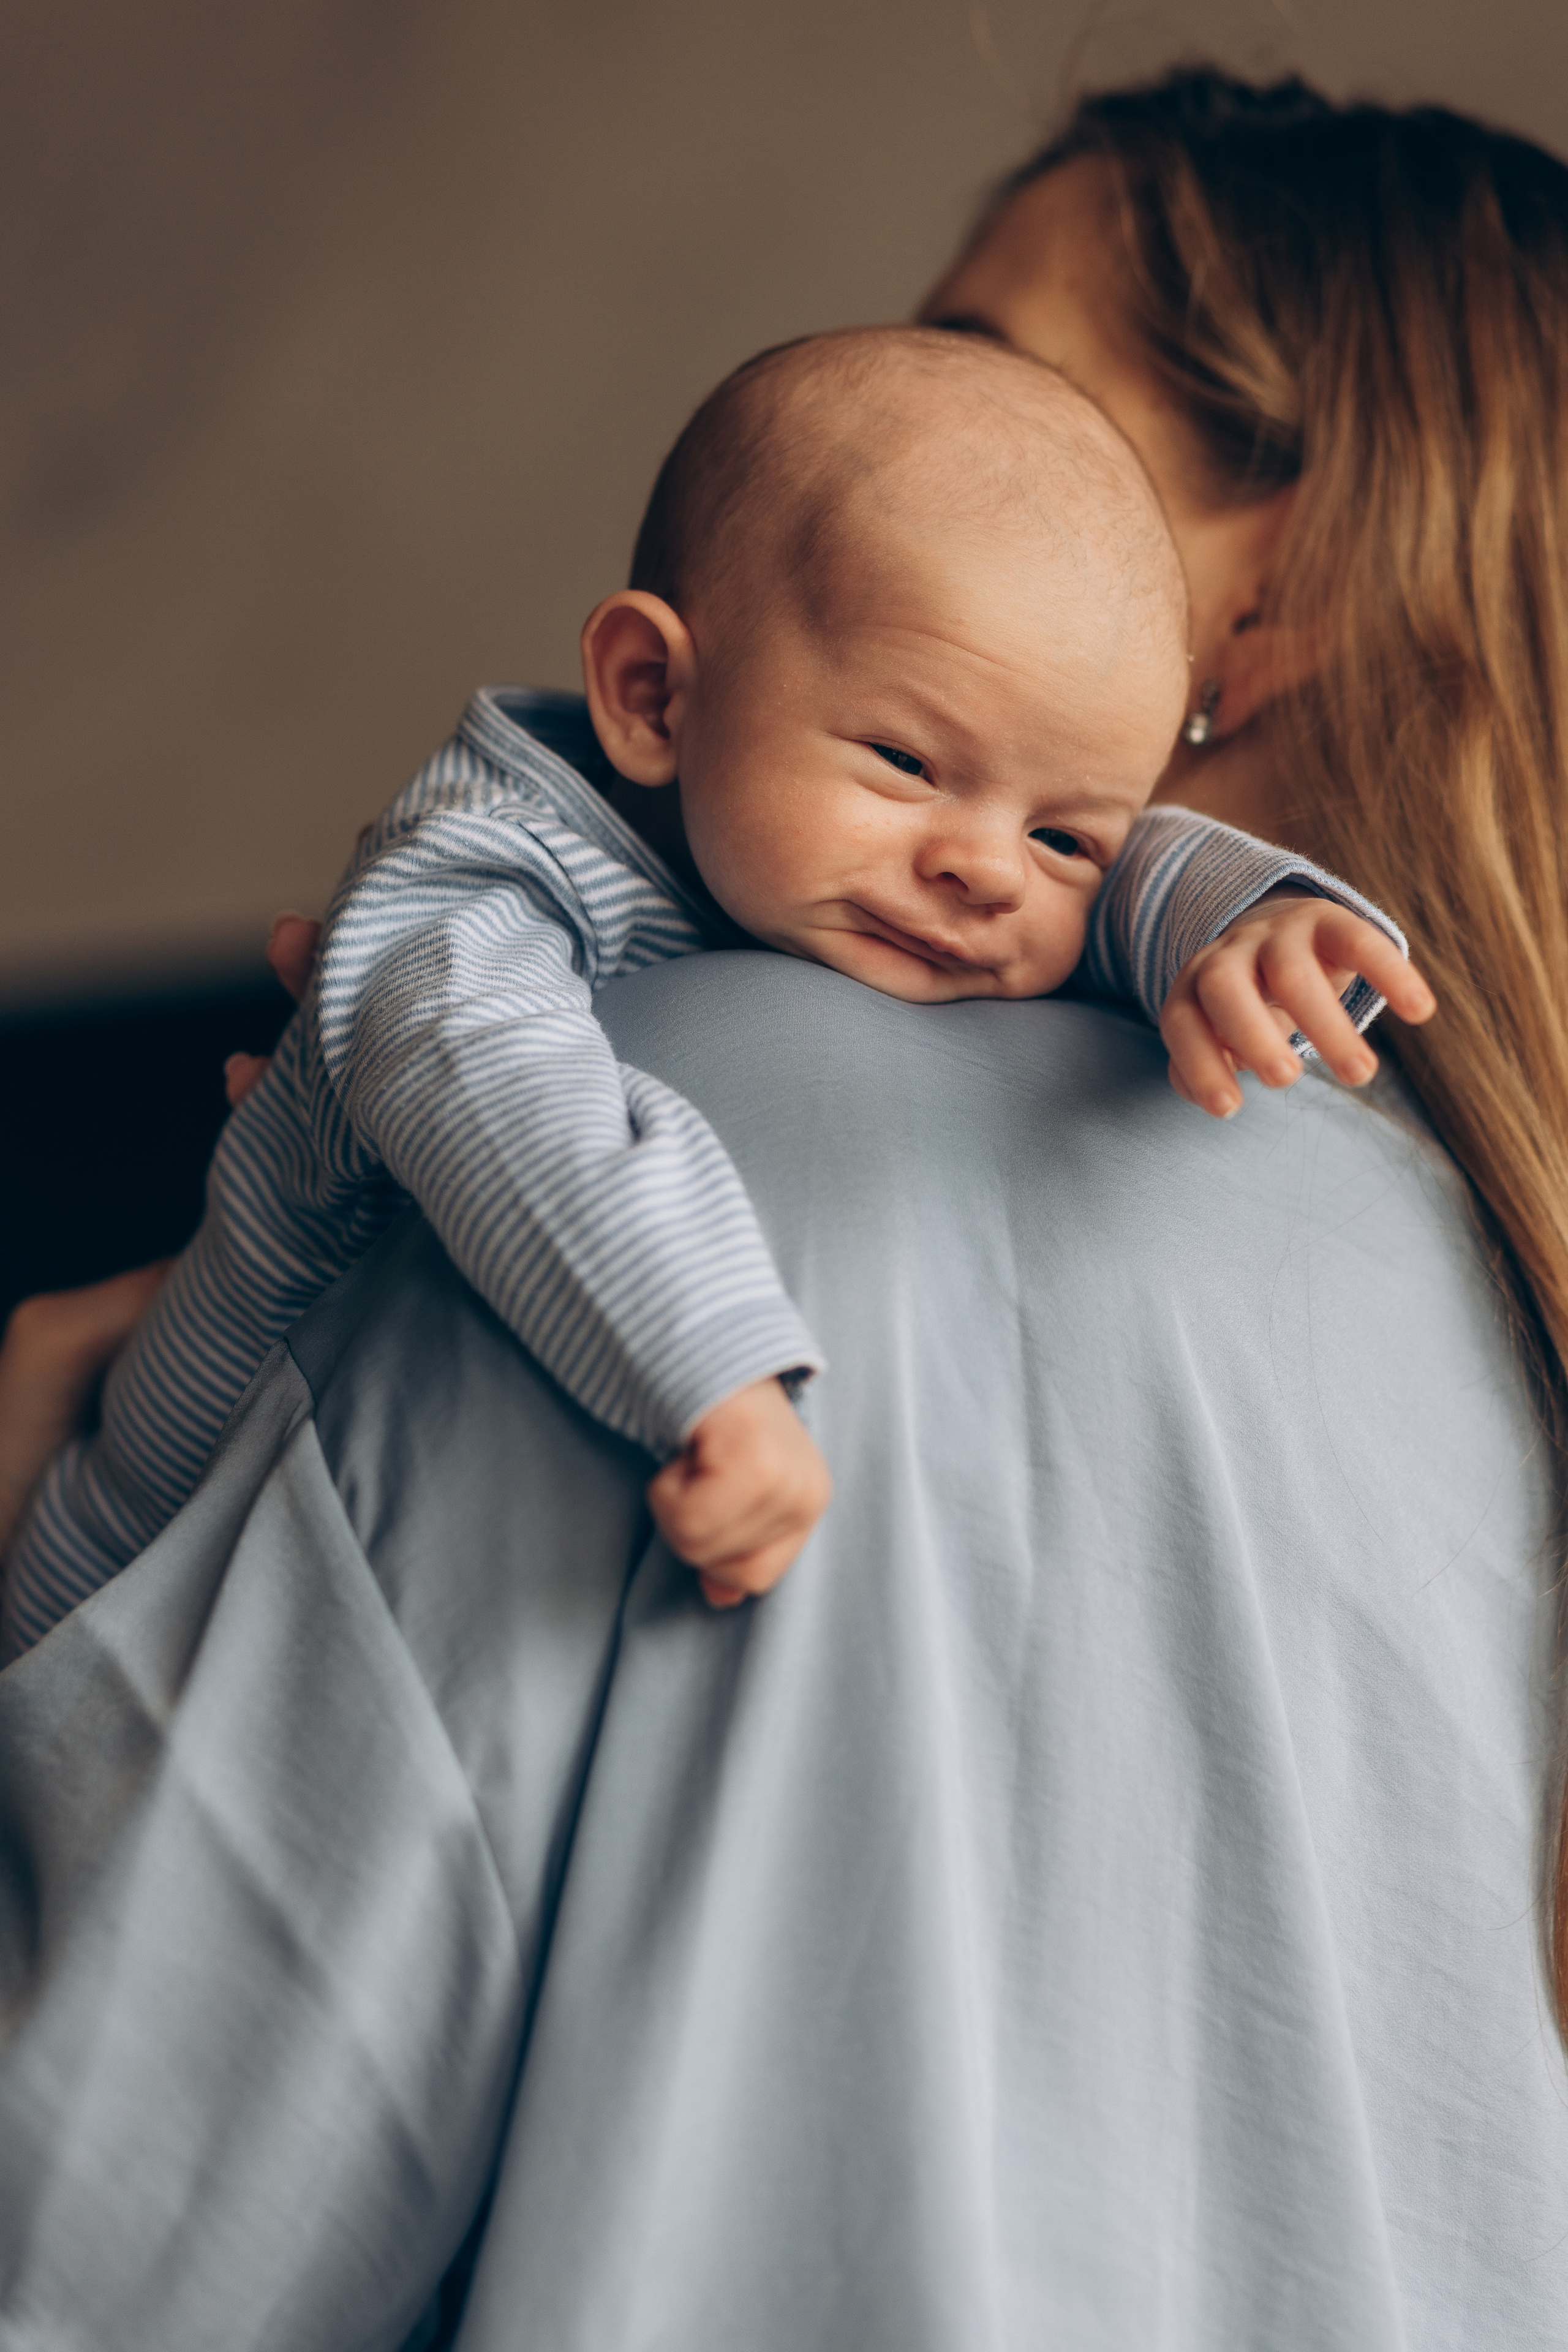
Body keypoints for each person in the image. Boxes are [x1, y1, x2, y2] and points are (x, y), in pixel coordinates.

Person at [3, 64, 1567, 2351]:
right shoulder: (1497, 1306)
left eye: (1003, 380)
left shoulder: (672, 1139)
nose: (912, 428)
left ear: (1278, 609)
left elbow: (124, 2240)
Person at [0, 323, 1421, 1657]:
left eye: (1062, 834)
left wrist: (1239, 924)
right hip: (135, 1554)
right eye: (908, 766)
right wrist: (706, 1373)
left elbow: (1123, 871)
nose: (989, 870)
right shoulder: (475, 886)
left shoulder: (887, 872)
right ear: (653, 696)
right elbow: (520, 1119)